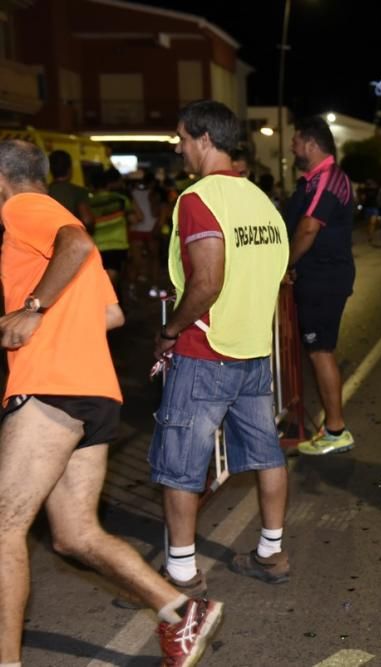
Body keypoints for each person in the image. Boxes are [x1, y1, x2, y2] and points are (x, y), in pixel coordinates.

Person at [0, 139, 222, 666]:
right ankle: (179, 610)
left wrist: (33, 309)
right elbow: (111, 315)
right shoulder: (49, 217)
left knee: (3, 529)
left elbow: (74, 243)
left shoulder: (22, 209)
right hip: (93, 393)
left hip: (51, 388)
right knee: (75, 534)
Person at [151, 100, 291, 591]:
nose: (180, 148)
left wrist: (170, 332)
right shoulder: (261, 202)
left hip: (206, 351)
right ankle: (271, 552)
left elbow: (207, 281)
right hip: (253, 349)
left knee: (180, 465)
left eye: (182, 139)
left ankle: (182, 572)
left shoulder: (198, 199)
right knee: (266, 453)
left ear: (205, 140)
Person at [284, 115, 356, 455]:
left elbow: (309, 228)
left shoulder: (327, 179)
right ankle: (333, 427)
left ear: (311, 144)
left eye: (296, 142)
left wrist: (286, 264)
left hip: (324, 279)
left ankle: (336, 429)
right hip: (318, 277)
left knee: (320, 350)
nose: (292, 147)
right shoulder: (314, 180)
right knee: (317, 350)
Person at [89, 167, 135, 297]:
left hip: (97, 247)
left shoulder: (88, 203)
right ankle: (113, 305)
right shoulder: (120, 199)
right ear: (107, 184)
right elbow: (133, 219)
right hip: (118, 245)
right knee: (114, 279)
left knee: (102, 280)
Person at [129, 171, 166, 297]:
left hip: (136, 230)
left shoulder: (133, 194)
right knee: (154, 259)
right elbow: (157, 213)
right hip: (152, 230)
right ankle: (154, 287)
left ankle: (132, 288)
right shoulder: (156, 194)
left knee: (136, 262)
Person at [47, 149, 94, 230]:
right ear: (70, 169)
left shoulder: (42, 192)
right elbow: (87, 220)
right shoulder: (79, 191)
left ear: (51, 170)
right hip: (72, 238)